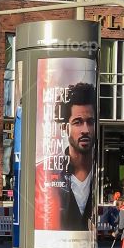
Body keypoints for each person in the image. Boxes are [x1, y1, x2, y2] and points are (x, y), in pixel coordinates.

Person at [34, 81, 97, 233]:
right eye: (78, 122)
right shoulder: (44, 172)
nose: (85, 130)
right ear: (64, 127)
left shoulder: (99, 171)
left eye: (90, 122)